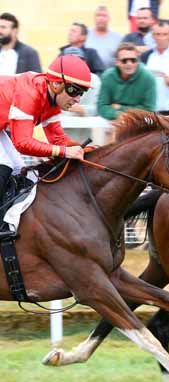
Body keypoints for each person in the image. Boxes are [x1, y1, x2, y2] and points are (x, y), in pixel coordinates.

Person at [0, 55, 89, 236]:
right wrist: (65, 151)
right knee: (7, 166)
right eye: (74, 90)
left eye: (82, 92)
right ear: (56, 84)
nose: (77, 99)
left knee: (21, 171)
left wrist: (83, 150)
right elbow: (22, 143)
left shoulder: (52, 100)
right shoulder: (29, 93)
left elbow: (57, 140)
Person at [97, 42, 156, 120]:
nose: (129, 64)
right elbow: (102, 107)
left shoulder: (148, 78)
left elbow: (149, 109)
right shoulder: (107, 77)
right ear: (117, 62)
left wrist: (120, 108)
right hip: (114, 124)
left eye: (133, 60)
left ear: (138, 61)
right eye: (124, 60)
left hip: (141, 125)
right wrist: (118, 114)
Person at [60, 47, 103, 143]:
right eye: (71, 61)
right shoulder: (57, 79)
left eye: (79, 60)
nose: (75, 64)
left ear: (84, 62)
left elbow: (98, 108)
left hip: (84, 137)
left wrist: (83, 110)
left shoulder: (94, 80)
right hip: (61, 137)